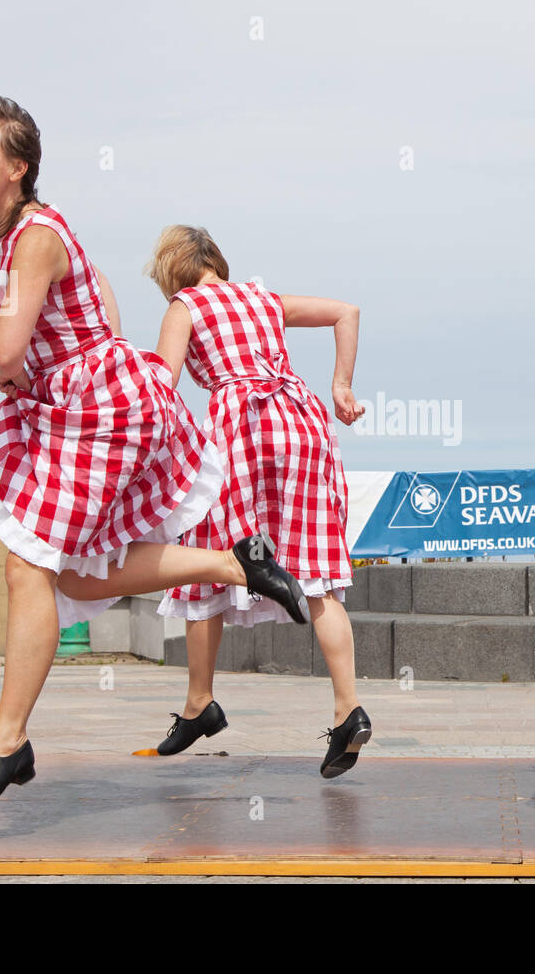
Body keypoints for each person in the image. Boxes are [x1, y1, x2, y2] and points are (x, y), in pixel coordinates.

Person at [0, 94, 310, 818]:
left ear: (18, 166)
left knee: (27, 562)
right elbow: (99, 295)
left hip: (96, 410)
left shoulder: (35, 234)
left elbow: (7, 346)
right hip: (80, 404)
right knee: (73, 572)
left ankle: (6, 744)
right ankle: (237, 563)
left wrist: (11, 365)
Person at [145, 225, 370, 778]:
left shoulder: (185, 306)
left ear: (173, 269)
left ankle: (200, 702)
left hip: (237, 431)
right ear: (217, 261)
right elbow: (348, 311)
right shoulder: (264, 299)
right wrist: (341, 386)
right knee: (316, 573)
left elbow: (163, 386)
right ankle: (349, 710)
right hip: (301, 423)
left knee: (209, 561)